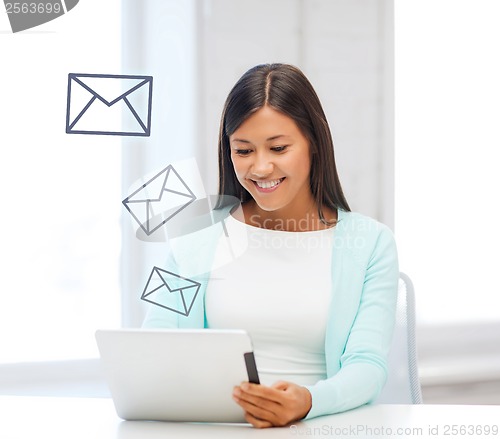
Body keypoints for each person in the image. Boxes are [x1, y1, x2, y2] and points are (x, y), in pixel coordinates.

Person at [143, 63, 399, 428]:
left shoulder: (371, 244)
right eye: (243, 151)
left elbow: (368, 366)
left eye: (278, 147)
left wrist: (308, 401)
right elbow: (154, 344)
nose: (261, 168)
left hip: (319, 426)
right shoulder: (196, 238)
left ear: (314, 143)